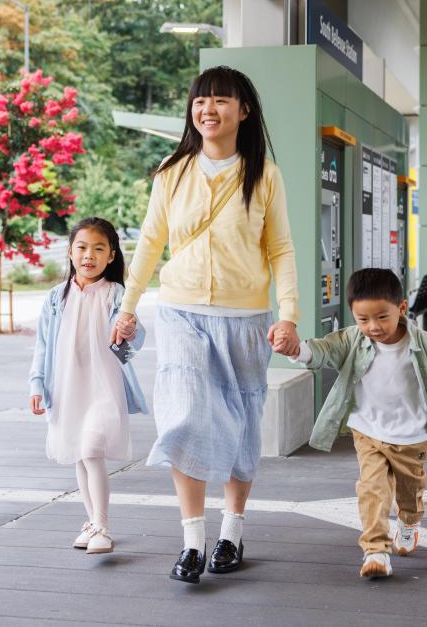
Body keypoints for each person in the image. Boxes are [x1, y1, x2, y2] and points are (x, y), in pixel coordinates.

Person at [111, 66, 300, 584]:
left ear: (244, 111)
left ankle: (231, 532)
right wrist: (127, 308)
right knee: (185, 417)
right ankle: (192, 540)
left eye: (220, 100)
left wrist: (288, 313)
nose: (207, 109)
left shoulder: (264, 174)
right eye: (200, 101)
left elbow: (280, 248)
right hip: (181, 311)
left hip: (245, 317)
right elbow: (150, 242)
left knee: (241, 422)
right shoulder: (172, 171)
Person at [276, 268, 427, 579]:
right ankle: (375, 551)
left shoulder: (423, 344)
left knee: (409, 491)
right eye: (363, 319)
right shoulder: (351, 339)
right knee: (372, 490)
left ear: (402, 309)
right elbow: (323, 350)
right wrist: (298, 350)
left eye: (382, 317)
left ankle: (410, 521)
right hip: (368, 431)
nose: (373, 327)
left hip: (410, 435)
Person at [28, 217, 149, 555]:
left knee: (92, 449)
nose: (89, 255)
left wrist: (127, 331)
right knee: (80, 456)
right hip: (67, 388)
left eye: (99, 249)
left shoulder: (116, 295)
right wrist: (37, 384)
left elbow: (130, 346)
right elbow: (42, 345)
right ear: (70, 252)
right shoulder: (56, 297)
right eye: (82, 248)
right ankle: (92, 521)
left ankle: (103, 527)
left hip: (104, 387)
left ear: (111, 256)